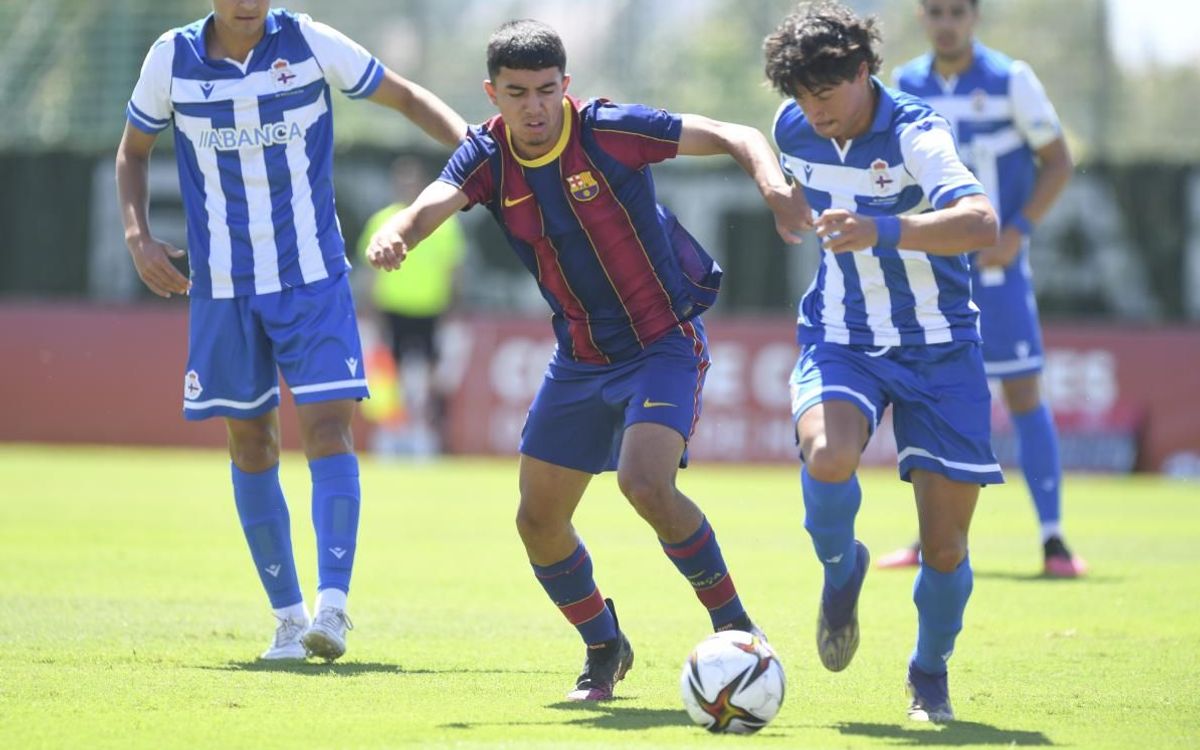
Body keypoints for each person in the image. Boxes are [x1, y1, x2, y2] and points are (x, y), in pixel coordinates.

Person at [366, 19, 809, 701]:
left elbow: (735, 134)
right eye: (517, 94)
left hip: (663, 341)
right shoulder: (487, 158)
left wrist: (774, 188)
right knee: (536, 521)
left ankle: (739, 632)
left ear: (565, 86)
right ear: (494, 94)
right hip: (579, 357)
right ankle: (605, 645)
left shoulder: (607, 131)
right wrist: (400, 230)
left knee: (645, 484)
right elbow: (436, 200)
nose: (535, 107)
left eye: (547, 90)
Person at [115, 0, 466, 662]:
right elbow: (132, 151)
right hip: (221, 287)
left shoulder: (308, 41)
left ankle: (333, 610)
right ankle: (286, 618)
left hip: (312, 279)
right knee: (251, 442)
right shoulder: (171, 57)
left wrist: (475, 148)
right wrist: (137, 237)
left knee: (330, 428)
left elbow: (406, 96)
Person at [765, 1, 1001, 722]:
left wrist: (882, 229)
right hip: (844, 336)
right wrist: (784, 200)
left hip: (941, 347)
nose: (816, 110)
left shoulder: (916, 131)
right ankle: (842, 572)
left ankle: (928, 673)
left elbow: (981, 224)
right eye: (802, 96)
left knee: (945, 545)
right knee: (829, 458)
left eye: (827, 94)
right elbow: (795, 183)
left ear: (864, 72)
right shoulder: (792, 127)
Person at [881, 0, 1086, 578]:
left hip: (996, 271)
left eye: (957, 12)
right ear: (923, 18)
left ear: (974, 18)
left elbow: (1058, 160)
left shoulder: (1009, 79)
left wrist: (1017, 231)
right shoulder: (905, 84)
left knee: (1022, 394)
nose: (946, 23)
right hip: (936, 272)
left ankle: (1054, 541)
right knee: (927, 396)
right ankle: (927, 540)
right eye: (936, 12)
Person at [357, 157, 466, 458]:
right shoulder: (381, 221)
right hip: (392, 308)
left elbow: (454, 268)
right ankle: (392, 433)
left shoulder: (442, 221)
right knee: (389, 376)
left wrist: (453, 307)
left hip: (430, 308)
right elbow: (369, 271)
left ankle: (425, 431)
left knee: (430, 374)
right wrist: (370, 307)